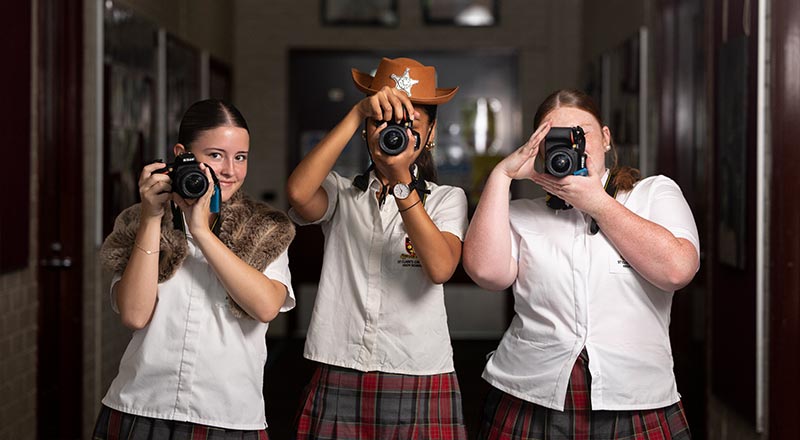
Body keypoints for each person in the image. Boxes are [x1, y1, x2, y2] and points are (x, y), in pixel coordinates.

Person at [463, 89, 699, 439]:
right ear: (539, 148)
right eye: (554, 136)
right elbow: (486, 273)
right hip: (529, 394)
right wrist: (501, 176)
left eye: (580, 134)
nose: (571, 145)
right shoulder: (522, 214)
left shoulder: (653, 194)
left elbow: (678, 269)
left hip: (637, 396)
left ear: (605, 138)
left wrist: (597, 204)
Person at [287, 57, 469, 439]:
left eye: (410, 125)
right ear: (367, 130)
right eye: (382, 122)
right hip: (339, 360)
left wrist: (402, 181)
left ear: (431, 133)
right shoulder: (342, 192)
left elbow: (439, 269)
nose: (394, 134)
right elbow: (298, 193)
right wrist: (356, 113)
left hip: (417, 365)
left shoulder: (446, 199)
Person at [94, 99, 295, 439]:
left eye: (240, 157)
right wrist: (151, 219)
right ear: (181, 154)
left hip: (229, 416)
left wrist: (201, 232)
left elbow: (265, 307)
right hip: (141, 407)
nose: (230, 170)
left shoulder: (266, 228)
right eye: (216, 155)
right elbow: (134, 314)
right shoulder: (136, 221)